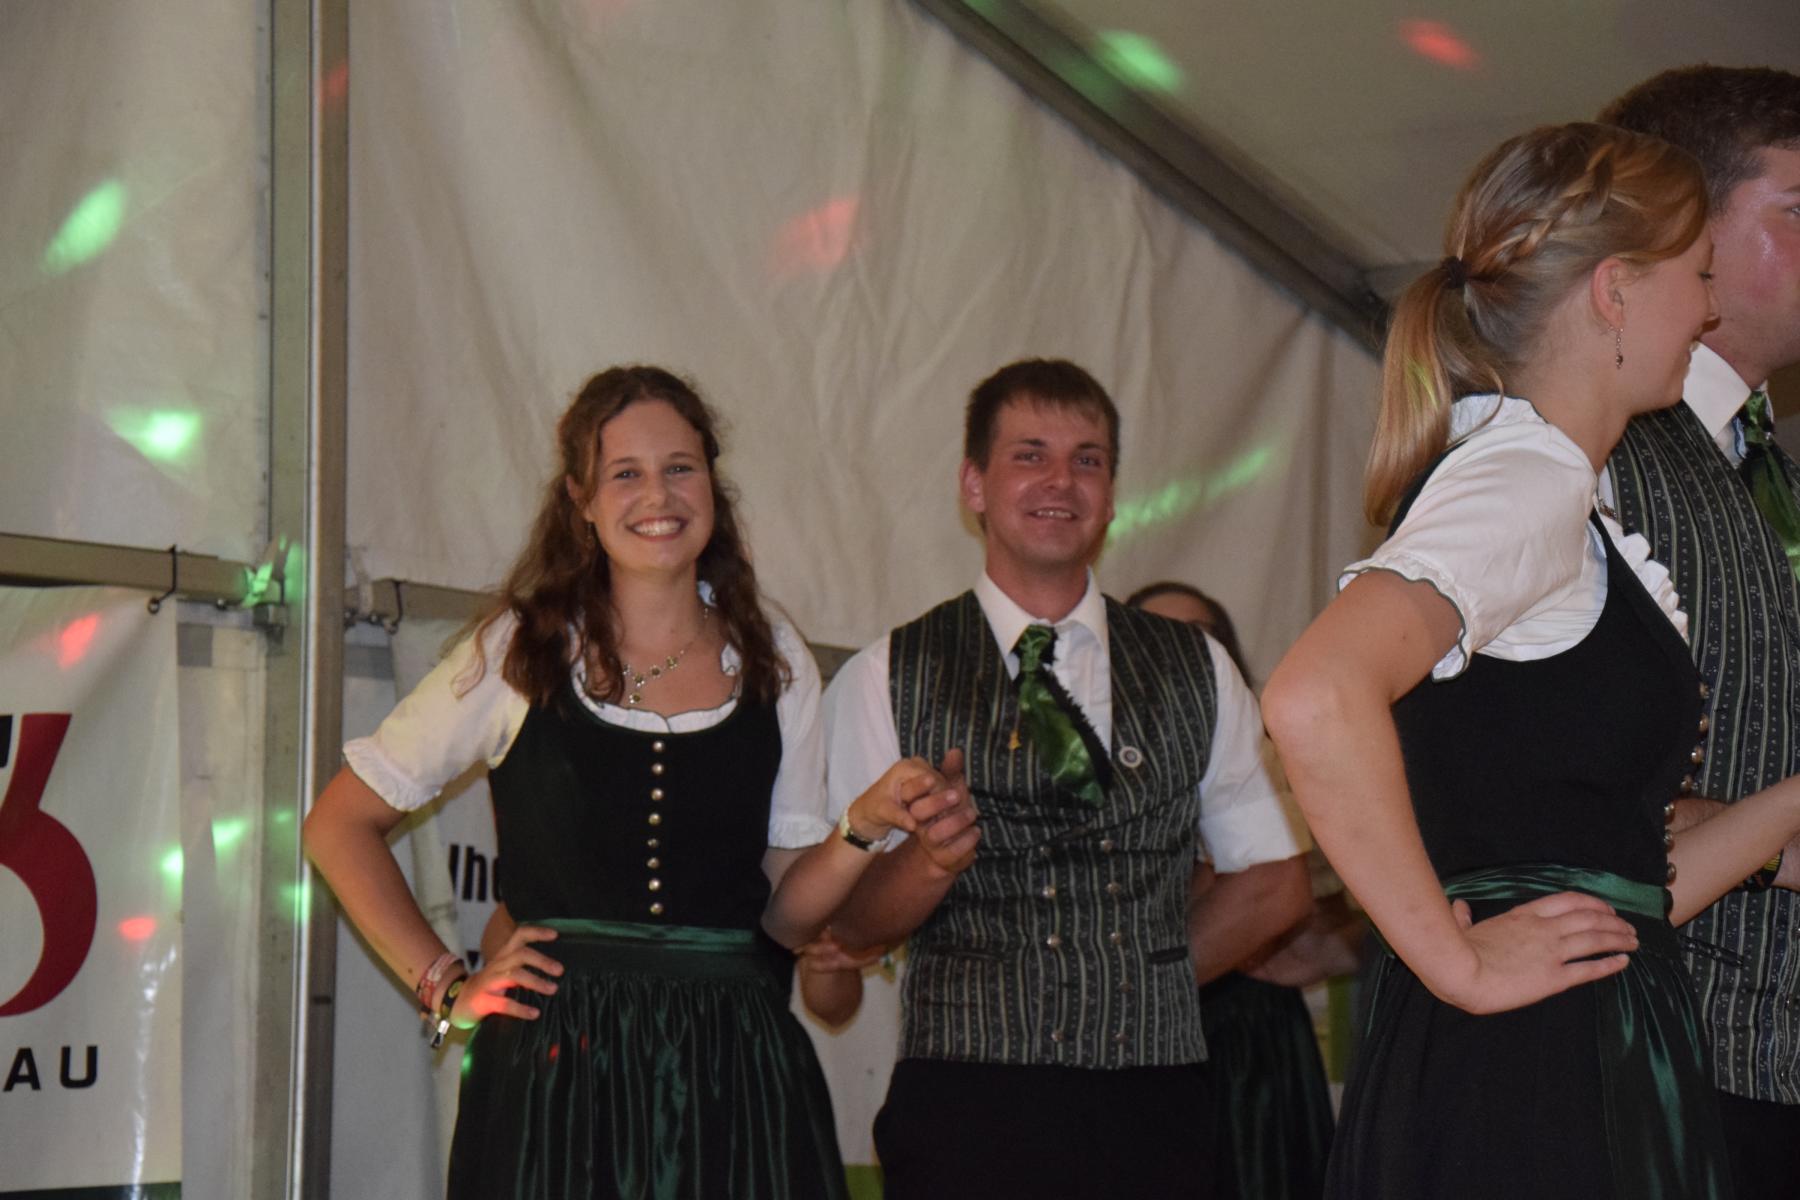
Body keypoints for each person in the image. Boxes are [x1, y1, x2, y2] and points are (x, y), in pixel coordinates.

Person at [1263, 121, 1800, 1198]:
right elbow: (1315, 696)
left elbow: (1622, 887)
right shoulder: (1525, 479)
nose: (1706, 311)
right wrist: (1455, 958)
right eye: (1697, 276)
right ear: (1615, 291)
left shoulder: (1552, 489)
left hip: (1588, 1032)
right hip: (1531, 1069)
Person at [304, 366, 956, 1199]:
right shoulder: (522, 650)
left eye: (681, 467)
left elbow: (786, 916)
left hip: (731, 1068)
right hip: (557, 1071)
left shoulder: (773, 653)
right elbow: (338, 824)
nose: (659, 495)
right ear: (581, 498)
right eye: (626, 473)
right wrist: (445, 985)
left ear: (712, 483)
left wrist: (860, 826)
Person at [824, 358, 1312, 1200]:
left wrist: (1140, 984)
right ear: (973, 485)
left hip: (1153, 1101)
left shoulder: (1197, 666)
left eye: (1088, 460)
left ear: (1112, 493)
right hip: (965, 1100)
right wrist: (928, 863)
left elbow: (1273, 880)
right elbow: (853, 925)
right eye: (1030, 455)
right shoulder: (887, 672)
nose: (1061, 481)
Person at [1598, 66, 1800, 1188]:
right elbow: (1530, 783)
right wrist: (1773, 841)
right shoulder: (1591, 455)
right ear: (1686, 231)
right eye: (1798, 208)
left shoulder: (1774, 474)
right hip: (1660, 1055)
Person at [1126, 581, 1335, 1200]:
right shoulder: (1086, 770)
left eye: (1200, 636)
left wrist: (1323, 947)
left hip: (1251, 1043)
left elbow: (1334, 908)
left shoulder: (1278, 760)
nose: (1180, 651)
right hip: (1134, 1041)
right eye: (1157, 636)